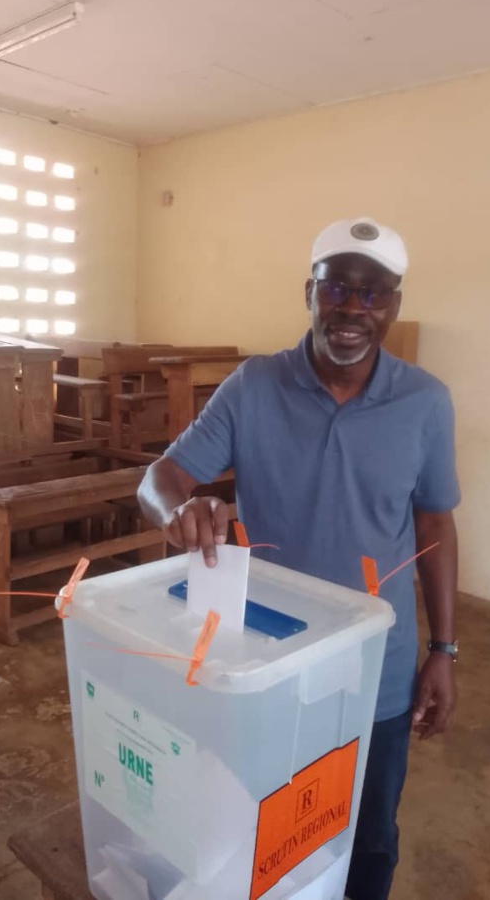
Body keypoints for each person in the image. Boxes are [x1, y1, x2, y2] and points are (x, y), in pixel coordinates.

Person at [138, 217, 460, 900]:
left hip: (379, 661)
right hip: (269, 657)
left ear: (394, 305)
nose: (351, 309)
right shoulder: (254, 385)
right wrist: (175, 512)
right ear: (308, 292)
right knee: (261, 819)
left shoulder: (425, 402)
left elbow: (435, 520)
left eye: (373, 295)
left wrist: (445, 649)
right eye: (336, 288)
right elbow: (160, 476)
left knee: (369, 833)